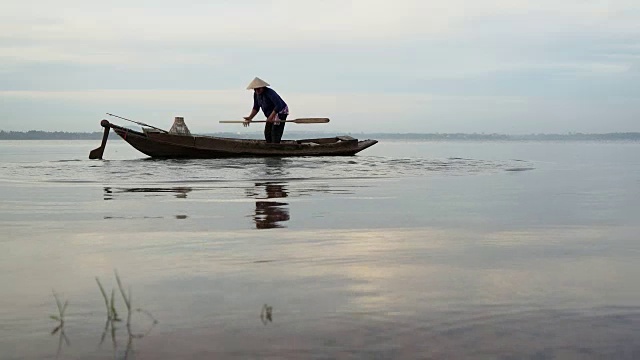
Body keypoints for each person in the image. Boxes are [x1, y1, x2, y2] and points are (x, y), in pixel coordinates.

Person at [243, 77, 289, 143]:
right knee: (267, 133)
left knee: (275, 133)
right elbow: (256, 107)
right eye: (255, 89)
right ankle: (269, 146)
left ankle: (275, 147)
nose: (257, 91)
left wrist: (270, 117)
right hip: (270, 114)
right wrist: (250, 118)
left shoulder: (270, 92)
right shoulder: (256, 94)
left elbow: (278, 105)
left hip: (280, 112)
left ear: (263, 87)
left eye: (258, 89)